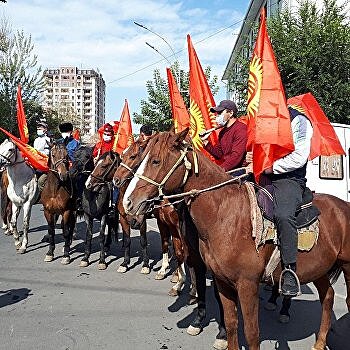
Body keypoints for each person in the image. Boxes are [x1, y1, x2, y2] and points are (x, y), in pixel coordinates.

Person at [248, 106, 313, 297]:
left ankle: (290, 270)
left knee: (283, 215)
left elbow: (299, 157)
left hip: (288, 179)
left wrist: (270, 168)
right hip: (260, 173)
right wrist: (252, 157)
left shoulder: (299, 120)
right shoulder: (261, 118)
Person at [200, 99, 248, 172]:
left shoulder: (241, 129)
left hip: (239, 171)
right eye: (217, 113)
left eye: (220, 112)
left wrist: (219, 171)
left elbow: (236, 157)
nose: (217, 116)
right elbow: (219, 154)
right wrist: (205, 141)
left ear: (231, 113)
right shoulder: (222, 132)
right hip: (228, 170)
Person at [33, 121, 51, 193]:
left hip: (44, 166)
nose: (39, 129)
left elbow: (47, 153)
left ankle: (44, 196)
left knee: (40, 182)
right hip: (35, 164)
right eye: (38, 128)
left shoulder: (48, 140)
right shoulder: (36, 140)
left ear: (45, 129)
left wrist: (38, 155)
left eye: (41, 128)